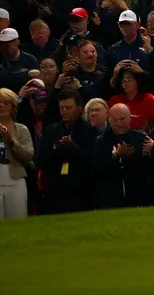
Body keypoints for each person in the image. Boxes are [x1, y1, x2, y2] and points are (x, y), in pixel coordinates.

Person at [35, 88, 98, 213]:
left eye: (68, 108)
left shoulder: (90, 130)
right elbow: (40, 160)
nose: (63, 111)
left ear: (79, 109)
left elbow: (93, 160)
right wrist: (56, 150)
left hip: (82, 191)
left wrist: (73, 148)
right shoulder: (51, 131)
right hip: (55, 191)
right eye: (61, 108)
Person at [91, 103, 154, 208]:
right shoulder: (101, 141)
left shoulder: (141, 138)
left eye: (122, 119)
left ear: (130, 118)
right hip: (111, 199)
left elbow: (148, 167)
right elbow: (97, 170)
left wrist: (137, 155)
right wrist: (116, 157)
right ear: (109, 120)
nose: (119, 123)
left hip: (138, 197)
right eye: (115, 120)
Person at [0, 88, 35, 218]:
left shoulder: (21, 129)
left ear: (13, 107)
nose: (1, 105)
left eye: (6, 102)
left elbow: (28, 155)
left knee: (18, 217)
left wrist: (11, 141)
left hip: (15, 177)